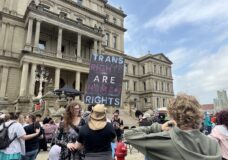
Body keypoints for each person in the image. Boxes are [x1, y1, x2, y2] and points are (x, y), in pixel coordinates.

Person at [124, 94, 222, 160]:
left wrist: (159, 127)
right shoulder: (213, 145)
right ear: (199, 115)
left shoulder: (161, 142)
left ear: (172, 116)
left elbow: (128, 134)